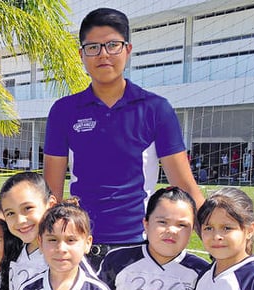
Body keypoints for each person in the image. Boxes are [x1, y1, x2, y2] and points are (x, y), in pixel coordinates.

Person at [43, 8, 204, 268]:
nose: (104, 54)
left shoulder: (155, 109)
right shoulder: (63, 111)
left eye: (112, 45)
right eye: (93, 47)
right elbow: (51, 195)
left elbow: (185, 186)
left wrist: (235, 262)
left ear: (127, 50)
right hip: (80, 251)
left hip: (139, 251)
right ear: (81, 54)